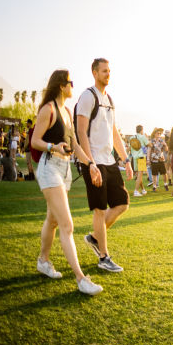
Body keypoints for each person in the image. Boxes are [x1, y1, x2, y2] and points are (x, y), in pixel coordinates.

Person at [31, 69, 104, 295]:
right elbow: (35, 141)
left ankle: (43, 261)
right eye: (70, 82)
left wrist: (91, 164)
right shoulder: (49, 109)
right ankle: (81, 279)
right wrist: (53, 147)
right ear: (62, 85)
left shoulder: (65, 110)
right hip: (49, 167)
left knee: (52, 220)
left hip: (64, 170)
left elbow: (76, 145)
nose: (73, 85)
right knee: (67, 225)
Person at [75, 58, 132, 274]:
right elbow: (81, 132)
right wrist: (90, 163)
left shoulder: (109, 99)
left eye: (109, 71)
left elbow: (114, 132)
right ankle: (104, 257)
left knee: (122, 203)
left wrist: (126, 160)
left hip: (109, 161)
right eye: (104, 71)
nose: (108, 74)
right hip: (93, 161)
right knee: (99, 210)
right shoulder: (87, 96)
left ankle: (94, 238)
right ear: (94, 73)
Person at [129, 124, 150, 196]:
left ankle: (143, 190)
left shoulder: (131, 137)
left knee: (138, 175)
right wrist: (146, 137)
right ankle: (136, 191)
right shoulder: (143, 137)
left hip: (134, 158)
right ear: (141, 130)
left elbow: (129, 148)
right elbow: (149, 145)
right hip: (141, 157)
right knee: (140, 175)